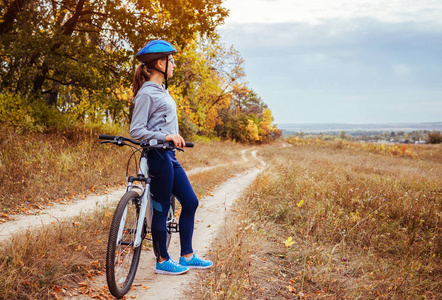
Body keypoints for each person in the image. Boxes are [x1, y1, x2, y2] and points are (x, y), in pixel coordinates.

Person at [130, 40, 213, 275]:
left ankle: (187, 256)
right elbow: (136, 131)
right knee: (161, 208)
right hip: (157, 155)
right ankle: (162, 261)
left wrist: (172, 137)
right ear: (160, 63)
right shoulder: (147, 93)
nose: (174, 65)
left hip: (169, 156)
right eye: (172, 60)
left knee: (190, 202)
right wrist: (165, 135)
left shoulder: (161, 90)